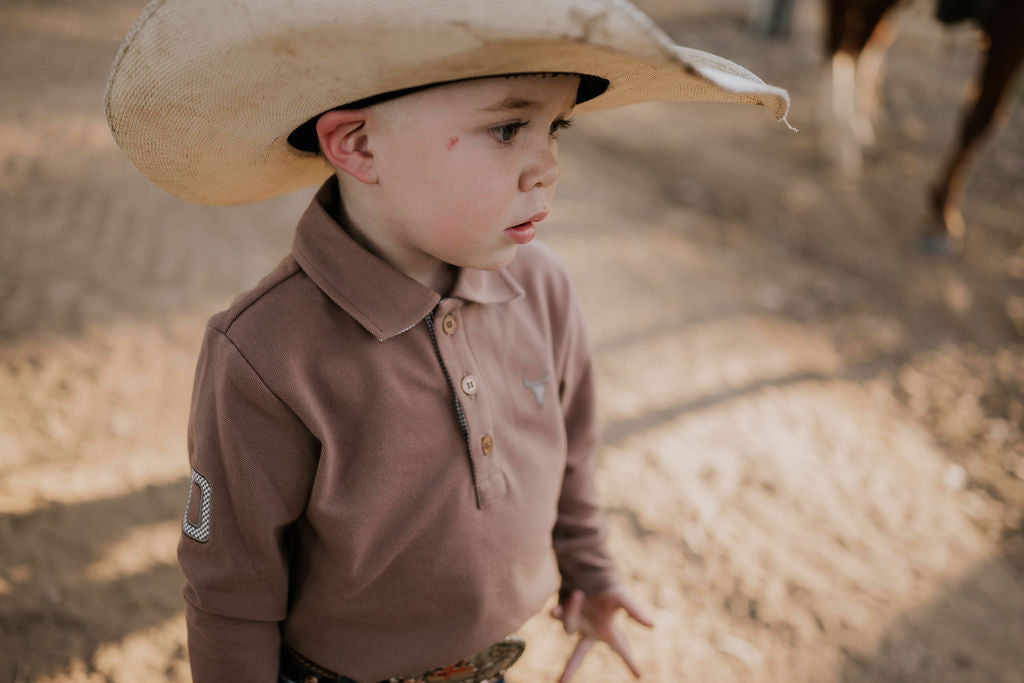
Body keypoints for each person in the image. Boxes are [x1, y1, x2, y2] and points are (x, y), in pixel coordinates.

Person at [105, 2, 790, 682]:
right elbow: (230, 592)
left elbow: (571, 449)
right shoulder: (265, 354)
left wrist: (590, 569)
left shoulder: (542, 287)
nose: (546, 164)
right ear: (360, 146)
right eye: (508, 128)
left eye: (558, 127)